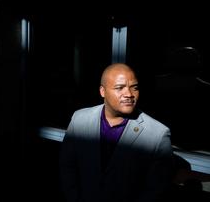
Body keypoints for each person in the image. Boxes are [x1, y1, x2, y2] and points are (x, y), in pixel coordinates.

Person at [59, 63, 174, 202]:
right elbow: (67, 165)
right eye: (120, 88)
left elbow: (155, 190)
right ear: (102, 91)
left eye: (134, 88)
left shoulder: (158, 134)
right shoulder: (79, 118)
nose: (129, 94)